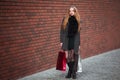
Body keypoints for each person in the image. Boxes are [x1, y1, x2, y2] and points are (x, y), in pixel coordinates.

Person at [60, 6, 81, 79]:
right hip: (66, 40)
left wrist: (79, 44)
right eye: (70, 11)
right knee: (67, 58)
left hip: (74, 41)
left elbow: (78, 34)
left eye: (73, 11)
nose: (71, 12)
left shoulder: (78, 20)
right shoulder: (65, 19)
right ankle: (72, 71)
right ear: (68, 12)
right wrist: (61, 41)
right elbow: (62, 31)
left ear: (75, 12)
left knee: (73, 57)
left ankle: (72, 73)